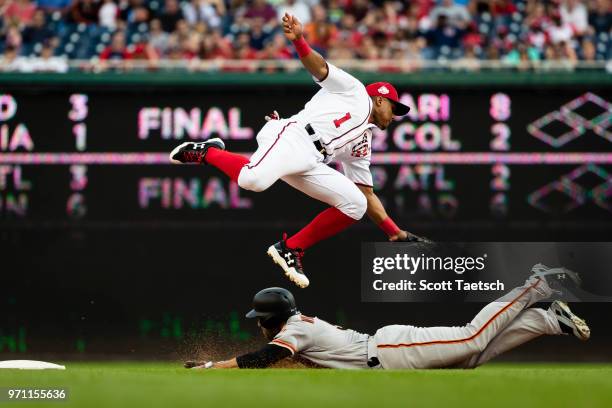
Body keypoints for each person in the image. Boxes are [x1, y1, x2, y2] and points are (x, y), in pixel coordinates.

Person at [169, 13, 421, 289]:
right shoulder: (356, 92)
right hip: (295, 136)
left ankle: (291, 248)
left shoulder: (363, 143)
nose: (394, 115)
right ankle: (209, 151)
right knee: (252, 181)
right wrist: (300, 41)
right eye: (393, 108)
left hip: (311, 160)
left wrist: (393, 232)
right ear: (380, 99)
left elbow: (366, 192)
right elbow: (320, 69)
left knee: (356, 204)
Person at [185, 265, 590, 370]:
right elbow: (280, 358)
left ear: (274, 318)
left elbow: (265, 358)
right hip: (385, 351)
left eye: (260, 317)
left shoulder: (293, 331)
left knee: (472, 338)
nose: (258, 322)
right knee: (472, 357)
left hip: (392, 350)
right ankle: (552, 320)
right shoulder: (296, 327)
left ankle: (534, 288)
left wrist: (214, 365)